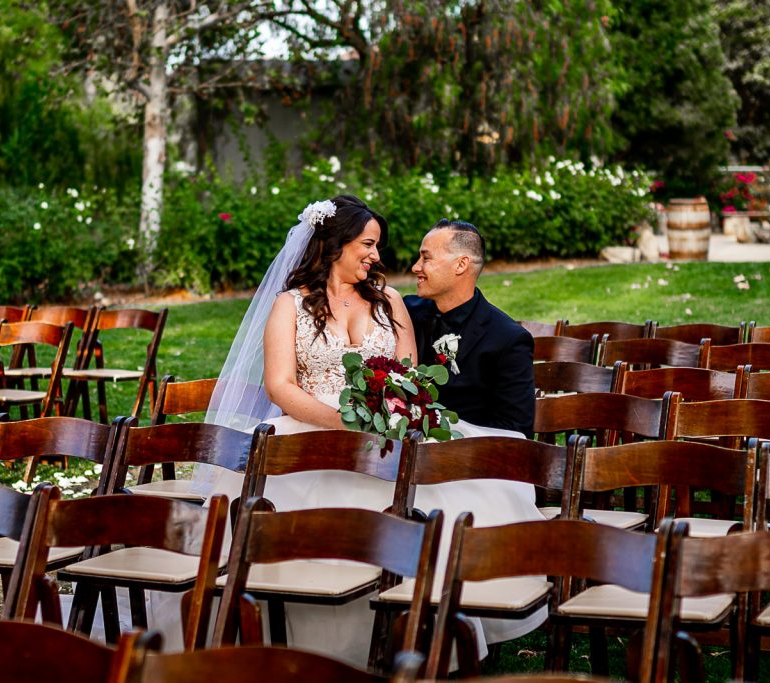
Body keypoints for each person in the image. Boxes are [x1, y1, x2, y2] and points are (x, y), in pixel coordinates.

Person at [170, 198, 542, 663]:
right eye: (367, 244)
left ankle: (408, 641)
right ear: (334, 245)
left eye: (377, 246)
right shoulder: (289, 305)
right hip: (304, 430)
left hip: (385, 431)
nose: (377, 256)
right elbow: (280, 385)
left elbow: (408, 375)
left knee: (446, 500)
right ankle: (287, 649)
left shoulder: (389, 302)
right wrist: (342, 423)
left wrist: (387, 416)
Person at [404, 220, 536, 435]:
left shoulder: (508, 339)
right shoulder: (407, 311)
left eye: (426, 258)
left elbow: (515, 430)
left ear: (460, 265)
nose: (416, 267)